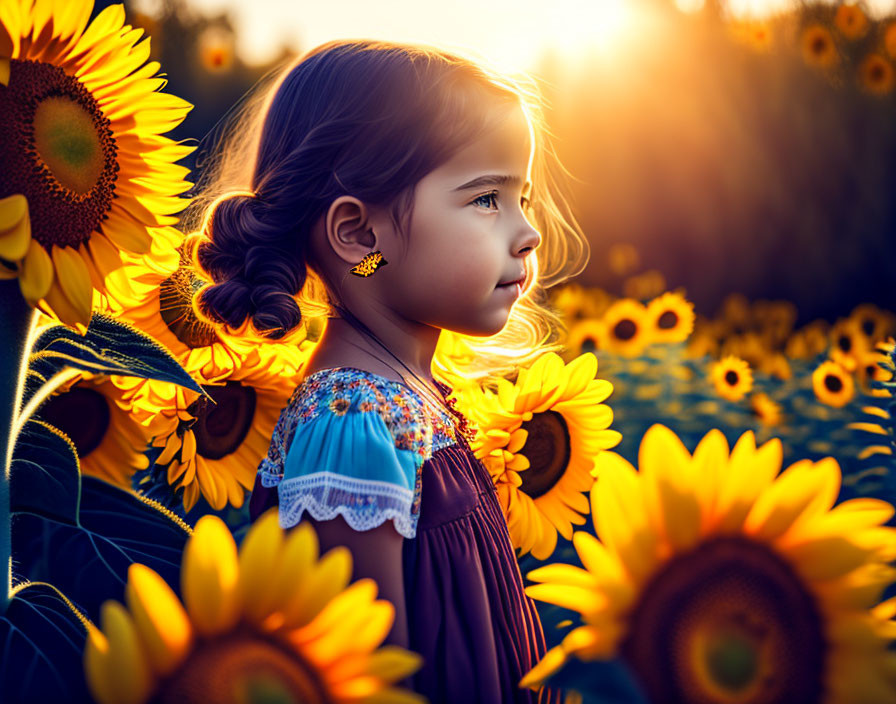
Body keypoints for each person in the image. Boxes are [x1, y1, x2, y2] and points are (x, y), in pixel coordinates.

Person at [187, 38, 589, 703]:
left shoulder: (403, 399)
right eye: (487, 199)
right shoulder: (351, 432)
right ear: (360, 236)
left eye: (522, 197)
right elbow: (370, 684)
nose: (528, 232)